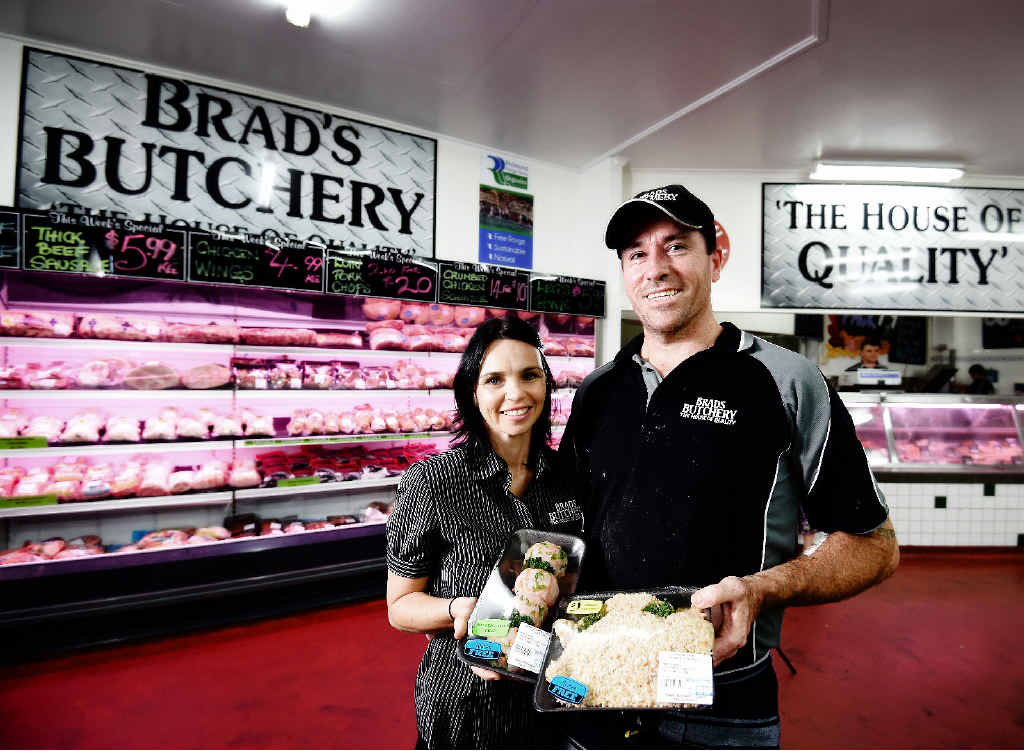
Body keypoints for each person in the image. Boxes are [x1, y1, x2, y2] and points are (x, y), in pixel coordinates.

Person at [558, 184, 900, 748]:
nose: (656, 268)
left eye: (676, 246)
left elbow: (875, 547)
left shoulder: (786, 381)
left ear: (715, 260)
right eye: (637, 254)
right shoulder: (597, 391)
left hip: (722, 698)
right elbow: (563, 530)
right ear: (624, 272)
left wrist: (761, 590)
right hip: (594, 683)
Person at [385, 316, 582, 749]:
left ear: (546, 383)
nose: (516, 393)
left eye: (529, 375)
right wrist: (458, 608)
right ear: (472, 393)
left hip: (550, 696)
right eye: (495, 380)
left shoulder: (567, 477)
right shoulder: (433, 483)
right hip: (467, 703)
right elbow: (399, 607)